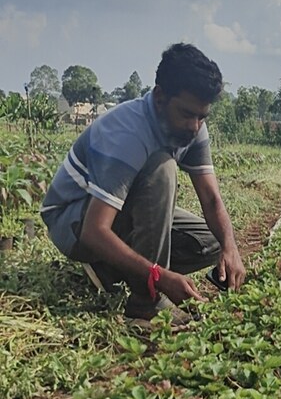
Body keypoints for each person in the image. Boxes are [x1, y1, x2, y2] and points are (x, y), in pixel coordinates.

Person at [40, 43, 245, 323]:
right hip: (73, 222)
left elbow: (211, 199)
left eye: (202, 116)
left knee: (209, 242)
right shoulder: (127, 133)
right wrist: (158, 277)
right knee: (163, 168)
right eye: (187, 114)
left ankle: (110, 269)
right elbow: (94, 231)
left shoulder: (192, 127)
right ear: (160, 97)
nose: (194, 126)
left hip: (116, 213)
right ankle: (145, 303)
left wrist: (230, 248)